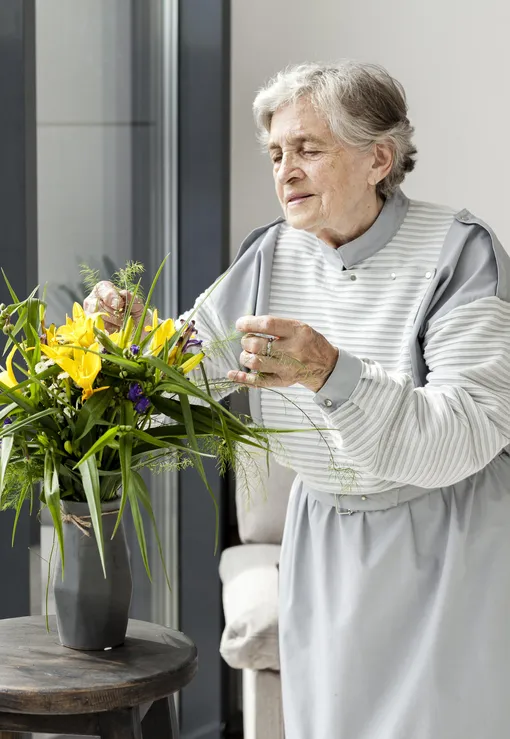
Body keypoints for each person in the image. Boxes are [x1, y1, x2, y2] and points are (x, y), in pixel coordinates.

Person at [84, 61, 510, 739]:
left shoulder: (459, 250)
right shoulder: (271, 254)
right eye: (277, 152)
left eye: (309, 149)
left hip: (446, 539)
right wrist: (131, 340)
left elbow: (468, 430)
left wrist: (332, 373)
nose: (285, 170)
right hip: (326, 539)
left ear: (379, 158)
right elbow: (187, 374)